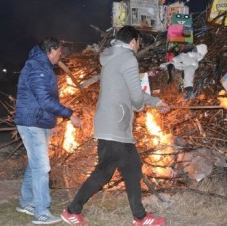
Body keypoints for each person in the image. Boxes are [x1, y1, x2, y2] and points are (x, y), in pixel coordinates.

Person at [61, 26, 170, 226]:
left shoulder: (112, 58)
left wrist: (156, 102)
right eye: (138, 42)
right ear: (133, 41)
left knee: (120, 170)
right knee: (117, 170)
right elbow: (135, 96)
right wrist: (140, 106)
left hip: (110, 123)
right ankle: (138, 217)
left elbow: (129, 90)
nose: (138, 46)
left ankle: (138, 216)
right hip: (116, 125)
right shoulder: (128, 58)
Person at [14, 37, 81, 225]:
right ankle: (41, 212)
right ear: (51, 50)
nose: (60, 55)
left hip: (38, 122)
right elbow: (45, 101)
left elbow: (43, 100)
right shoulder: (38, 67)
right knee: (42, 167)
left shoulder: (42, 66)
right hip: (31, 123)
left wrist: (49, 124)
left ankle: (26, 202)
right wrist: (69, 115)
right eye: (59, 52)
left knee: (35, 164)